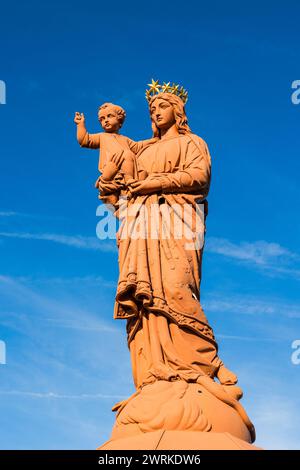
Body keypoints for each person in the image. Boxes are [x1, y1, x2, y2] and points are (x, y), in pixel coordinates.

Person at [98, 88, 241, 395]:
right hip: (140, 228)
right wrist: (110, 187)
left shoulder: (192, 142)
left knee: (177, 287)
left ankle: (208, 363)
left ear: (177, 110)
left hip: (177, 222)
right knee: (145, 298)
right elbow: (121, 195)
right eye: (152, 109)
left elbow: (198, 177)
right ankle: (156, 373)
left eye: (162, 106)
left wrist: (152, 183)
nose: (156, 112)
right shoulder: (140, 149)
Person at [74, 103, 155, 187]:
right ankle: (129, 179)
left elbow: (138, 146)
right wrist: (80, 124)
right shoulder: (102, 136)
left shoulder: (125, 139)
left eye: (109, 116)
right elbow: (84, 140)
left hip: (128, 166)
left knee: (142, 170)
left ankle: (133, 186)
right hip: (112, 168)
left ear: (119, 119)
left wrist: (154, 140)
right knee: (127, 154)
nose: (105, 120)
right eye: (102, 119)